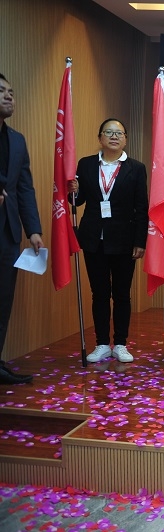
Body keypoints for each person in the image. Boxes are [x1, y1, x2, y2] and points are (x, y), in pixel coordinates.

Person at [69, 118, 148, 364]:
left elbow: (141, 207)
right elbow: (77, 201)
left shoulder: (136, 168)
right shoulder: (86, 164)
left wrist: (140, 241)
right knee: (99, 293)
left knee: (122, 294)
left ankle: (121, 343)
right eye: (109, 132)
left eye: (119, 133)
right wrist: (74, 190)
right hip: (94, 238)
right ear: (100, 138)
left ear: (125, 139)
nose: (114, 137)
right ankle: (102, 343)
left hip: (124, 240)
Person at [0, 73, 42, 385]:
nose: (9, 96)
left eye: (11, 92)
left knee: (3, 301)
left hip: (8, 233)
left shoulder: (17, 140)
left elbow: (24, 188)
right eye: (1, 91)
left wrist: (34, 230)